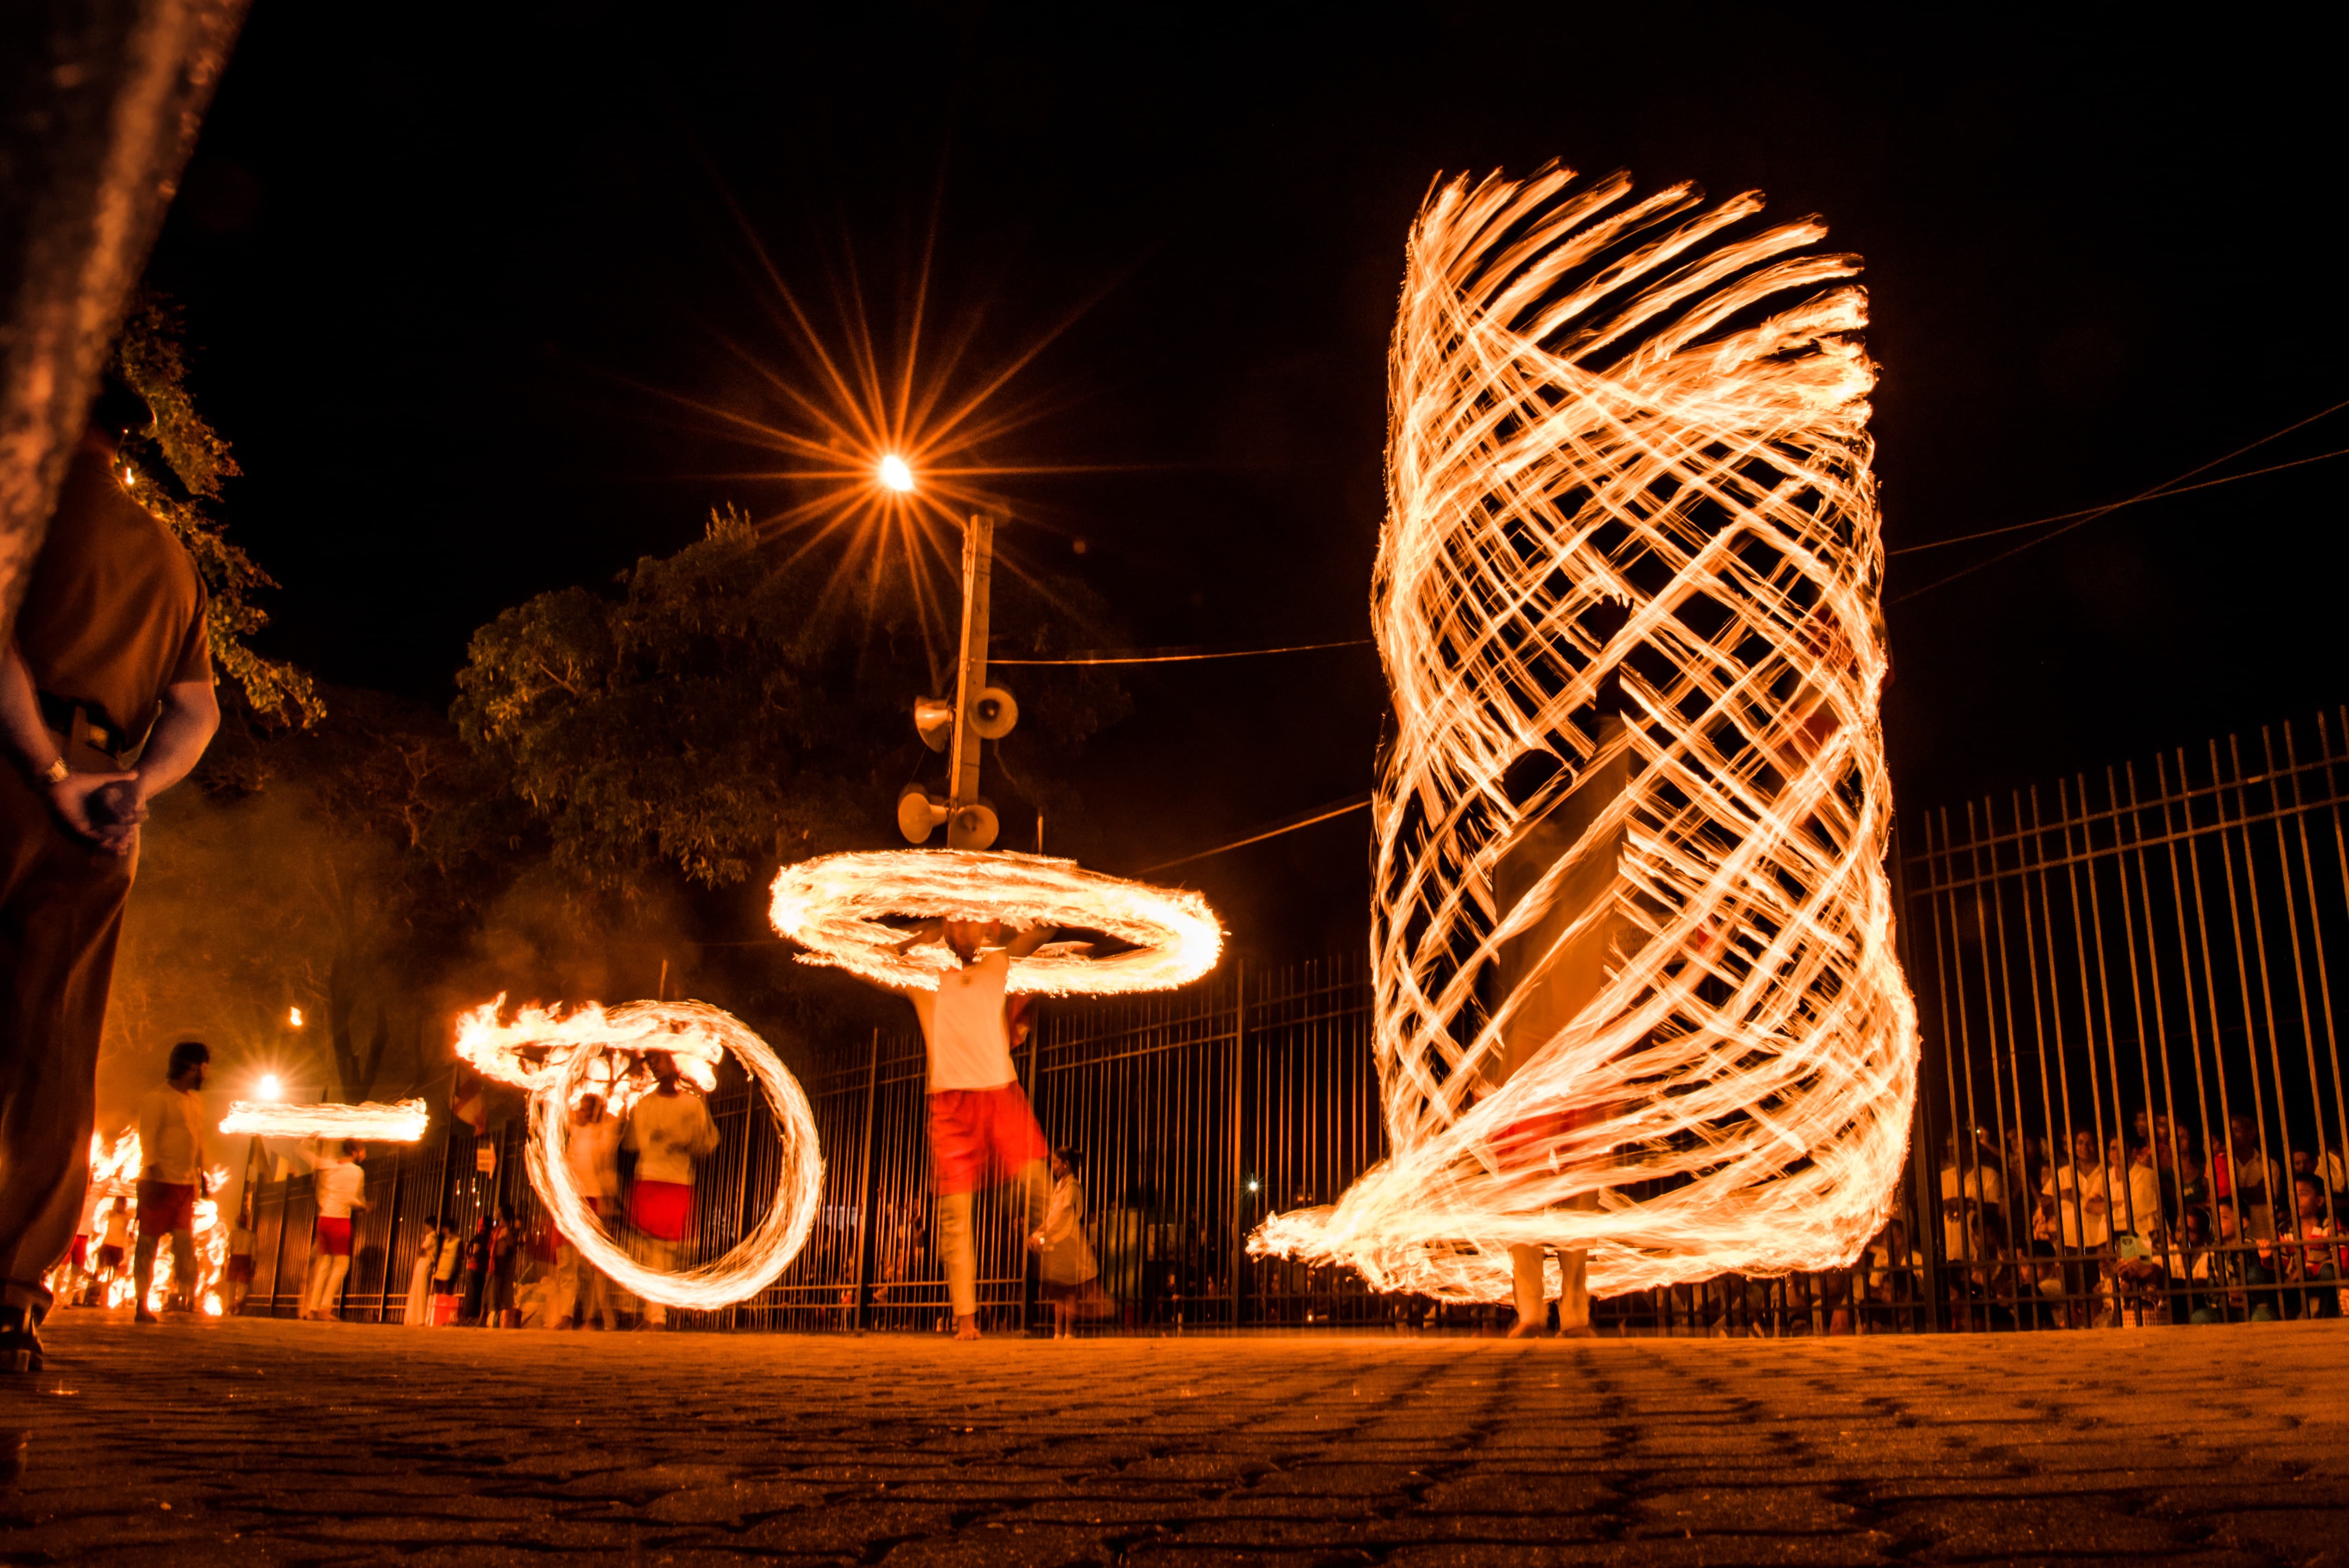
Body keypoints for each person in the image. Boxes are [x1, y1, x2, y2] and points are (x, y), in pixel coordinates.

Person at [0, 388, 220, 1371]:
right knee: (56, 1045)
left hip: (14, 769)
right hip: (106, 814)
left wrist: (48, 771)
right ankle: (12, 1295)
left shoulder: (22, 505)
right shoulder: (170, 558)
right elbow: (197, 712)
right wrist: (132, 786)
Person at [889, 918, 1060, 1340]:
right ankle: (966, 1319)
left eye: (975, 923)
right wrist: (922, 937)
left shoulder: (997, 964)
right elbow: (881, 961)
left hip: (999, 1092)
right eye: (959, 923)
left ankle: (1072, 1288)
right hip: (949, 1101)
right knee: (955, 1216)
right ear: (948, 927)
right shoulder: (925, 979)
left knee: (1041, 1190)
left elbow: (1041, 934)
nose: (968, 931)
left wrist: (1042, 909)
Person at [622, 1051, 717, 1330]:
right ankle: (655, 1315)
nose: (654, 1066)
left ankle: (656, 1312)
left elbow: (706, 1144)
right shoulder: (644, 1105)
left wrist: (684, 1142)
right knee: (651, 1252)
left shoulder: (692, 1105)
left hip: (677, 1182)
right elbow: (636, 1143)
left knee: (668, 1251)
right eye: (651, 1062)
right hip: (649, 1179)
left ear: (675, 1062)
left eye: (659, 1060)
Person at [130, 1040, 211, 1324]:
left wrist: (202, 1173)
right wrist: (151, 1174)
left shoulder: (196, 1102)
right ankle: (142, 1303)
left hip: (186, 1185)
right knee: (148, 1245)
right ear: (191, 1067)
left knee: (185, 1243)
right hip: (159, 1182)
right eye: (203, 1067)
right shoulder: (158, 1099)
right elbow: (148, 1138)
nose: (205, 1073)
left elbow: (197, 1140)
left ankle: (187, 1299)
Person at [553, 1093, 624, 1330]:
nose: (580, 1113)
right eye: (580, 1109)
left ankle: (591, 1318)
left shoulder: (603, 1133)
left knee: (592, 1265)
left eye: (585, 1109)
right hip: (571, 1201)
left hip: (594, 1202)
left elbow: (618, 1126)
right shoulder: (574, 1131)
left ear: (594, 1112)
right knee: (566, 1263)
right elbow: (560, 1109)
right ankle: (566, 1315)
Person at [1030, 1146, 1104, 1339]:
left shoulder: (1072, 1187)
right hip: (1058, 1240)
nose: (1053, 1167)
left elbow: (1063, 1216)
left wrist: (1044, 1233)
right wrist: (1040, 1232)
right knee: (1059, 1291)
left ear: (1066, 1164)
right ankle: (1058, 1332)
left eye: (1056, 1163)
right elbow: (1052, 1217)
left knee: (1069, 1291)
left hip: (1068, 1241)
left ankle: (1069, 1332)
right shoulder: (1061, 1186)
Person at [2044, 1128, 2112, 1327]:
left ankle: (2094, 1328)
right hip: (2070, 1240)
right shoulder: (2064, 1174)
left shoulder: (2108, 1172)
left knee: (2096, 1291)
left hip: (2098, 1240)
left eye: (2090, 1143)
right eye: (2080, 1143)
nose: (2085, 1148)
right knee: (2072, 1294)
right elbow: (2044, 1201)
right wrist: (2060, 1197)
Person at [299, 1138, 367, 1321]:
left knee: (324, 1265)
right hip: (340, 1222)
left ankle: (313, 1308)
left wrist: (308, 1141)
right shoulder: (357, 1172)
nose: (364, 1154)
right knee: (341, 1266)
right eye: (362, 1150)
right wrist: (363, 1207)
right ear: (354, 1153)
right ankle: (325, 1307)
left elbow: (304, 1154)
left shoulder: (329, 1165)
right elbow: (352, 1199)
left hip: (324, 1220)